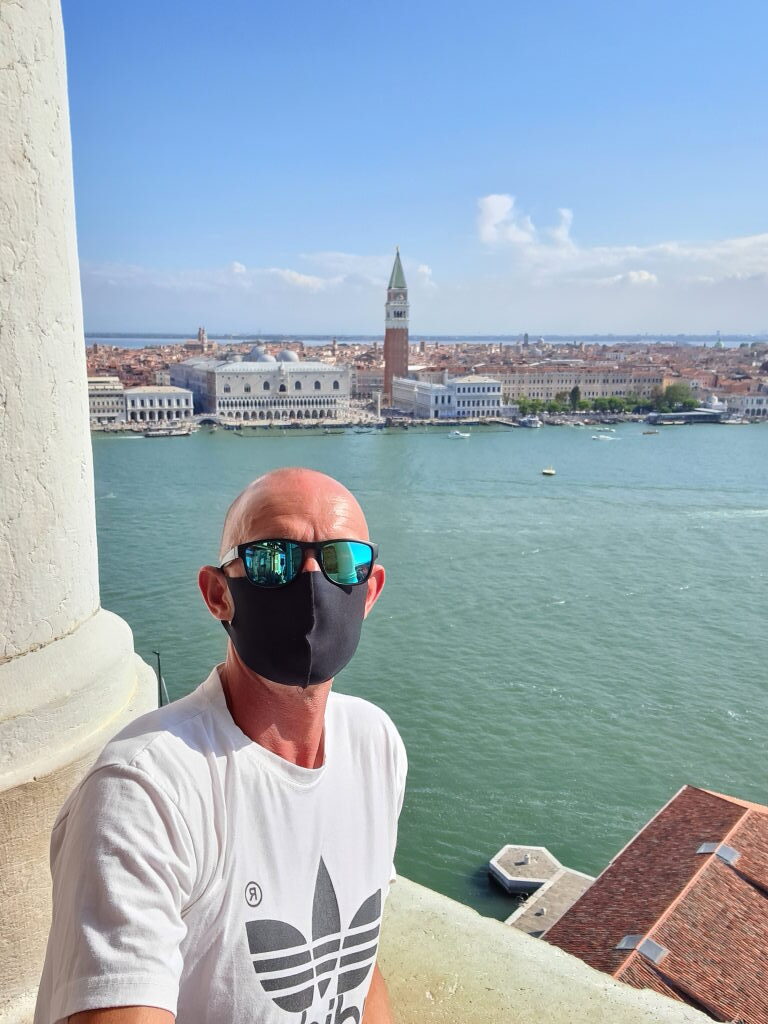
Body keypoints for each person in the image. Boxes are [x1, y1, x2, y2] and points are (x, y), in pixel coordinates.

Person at [34, 468, 407, 1024]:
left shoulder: (375, 746)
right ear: (218, 594)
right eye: (272, 558)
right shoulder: (143, 793)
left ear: (369, 590)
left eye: (340, 560)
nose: (311, 579)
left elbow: (356, 963)